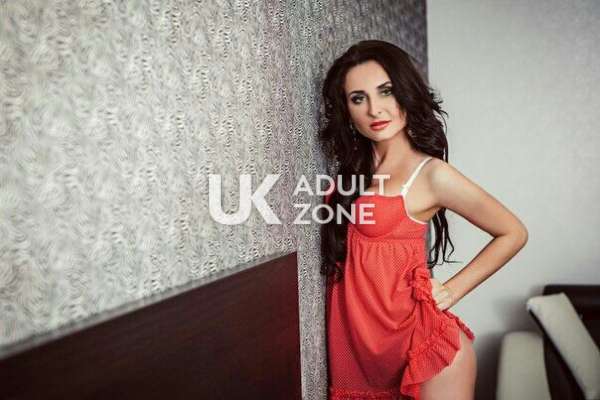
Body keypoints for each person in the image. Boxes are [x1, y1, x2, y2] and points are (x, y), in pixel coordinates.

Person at [318, 40, 528, 400]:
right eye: (358, 98)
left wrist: (452, 290)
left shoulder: (431, 175)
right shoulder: (351, 171)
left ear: (405, 92)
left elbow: (513, 232)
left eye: (385, 91)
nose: (374, 109)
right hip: (361, 354)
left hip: (421, 349)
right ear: (346, 109)